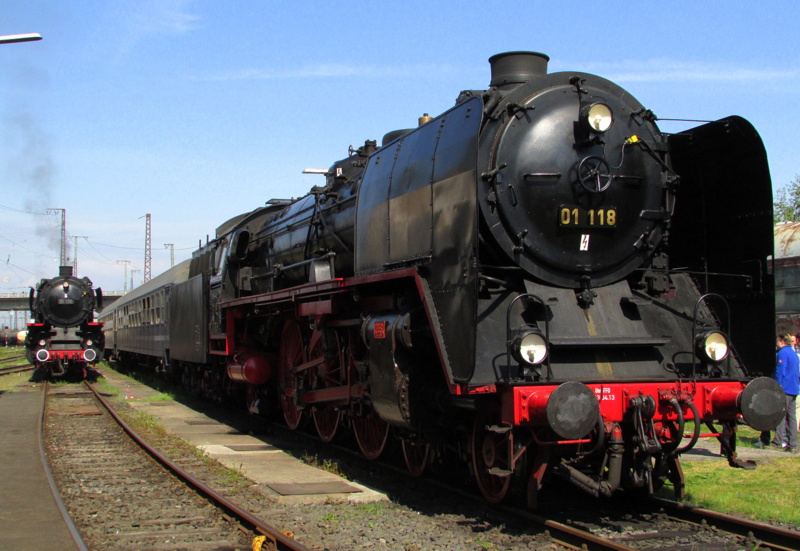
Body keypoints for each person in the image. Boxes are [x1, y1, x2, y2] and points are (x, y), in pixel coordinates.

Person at [771, 334, 799, 452]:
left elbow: (780, 370)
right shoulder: (794, 354)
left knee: (781, 415)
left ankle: (778, 441)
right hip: (794, 388)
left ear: (782, 342)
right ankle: (793, 444)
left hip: (785, 388)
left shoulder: (782, 353)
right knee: (791, 417)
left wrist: (776, 385)